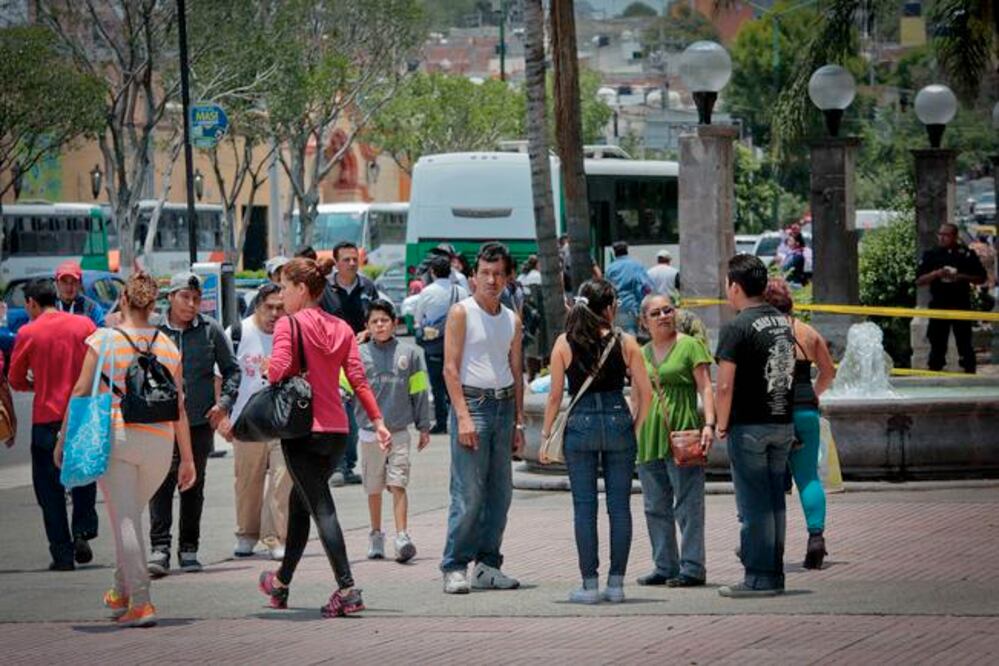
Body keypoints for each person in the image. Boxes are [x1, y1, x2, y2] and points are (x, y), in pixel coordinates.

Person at [56, 272, 195, 628]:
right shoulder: (167, 344)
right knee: (130, 517)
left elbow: (81, 390)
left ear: (123, 301)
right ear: (153, 305)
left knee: (126, 520)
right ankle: (121, 590)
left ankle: (143, 601)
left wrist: (63, 437)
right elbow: (179, 405)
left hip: (118, 438)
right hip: (162, 445)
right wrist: (188, 458)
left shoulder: (103, 339)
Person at [257, 257, 391, 618]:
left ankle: (347, 589)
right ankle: (281, 583)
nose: (282, 295)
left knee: (320, 507)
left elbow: (279, 371)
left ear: (302, 289)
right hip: (336, 430)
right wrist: (377, 421)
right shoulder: (342, 328)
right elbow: (358, 380)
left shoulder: (289, 325)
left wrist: (266, 366)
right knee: (303, 504)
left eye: (285, 287)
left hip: (302, 429)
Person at [541, 279, 651, 604]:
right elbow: (644, 392)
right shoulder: (626, 341)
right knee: (619, 508)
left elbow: (554, 396)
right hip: (618, 419)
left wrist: (546, 434)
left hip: (581, 424)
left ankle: (589, 586)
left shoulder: (564, 342)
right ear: (609, 307)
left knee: (584, 508)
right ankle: (616, 585)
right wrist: (636, 425)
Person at [440, 242, 525, 595]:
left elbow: (516, 369)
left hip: (504, 407)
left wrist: (519, 422)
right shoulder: (461, 312)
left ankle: (488, 565)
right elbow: (449, 368)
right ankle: (455, 565)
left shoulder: (512, 319)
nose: (490, 280)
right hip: (472, 404)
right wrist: (463, 416)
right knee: (468, 494)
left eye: (498, 274)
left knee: (500, 493)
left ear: (508, 278)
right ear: (473, 276)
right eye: (484, 274)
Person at [714, 254, 796, 598]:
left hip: (749, 425)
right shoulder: (780, 320)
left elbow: (724, 384)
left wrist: (720, 423)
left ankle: (758, 578)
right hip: (782, 422)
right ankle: (774, 573)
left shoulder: (737, 326)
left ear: (735, 286)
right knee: (776, 501)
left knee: (753, 505)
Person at [148, 272, 240, 576]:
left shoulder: (211, 330)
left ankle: (189, 549)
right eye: (185, 297)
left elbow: (232, 371)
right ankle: (159, 549)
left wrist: (223, 404)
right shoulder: (153, 332)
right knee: (160, 484)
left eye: (196, 298)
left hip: (199, 422)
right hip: (161, 422)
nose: (191, 304)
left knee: (193, 485)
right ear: (170, 297)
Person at [9, 278, 98, 570]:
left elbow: (16, 377)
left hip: (46, 417)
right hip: (82, 413)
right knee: (83, 477)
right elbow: (99, 364)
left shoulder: (28, 332)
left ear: (32, 303)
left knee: (49, 489)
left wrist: (36, 385)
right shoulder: (84, 325)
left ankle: (62, 554)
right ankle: (83, 530)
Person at [635, 293, 715, 589]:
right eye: (655, 313)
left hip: (683, 433)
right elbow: (637, 395)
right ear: (644, 321)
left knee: (688, 504)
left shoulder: (690, 345)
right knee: (655, 505)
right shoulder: (640, 352)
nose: (664, 316)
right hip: (648, 437)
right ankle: (664, 565)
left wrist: (709, 423)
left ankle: (692, 567)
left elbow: (706, 387)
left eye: (668, 310)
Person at [764, 277, 836, 570]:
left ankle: (769, 545)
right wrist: (814, 396)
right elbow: (829, 372)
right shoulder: (807, 332)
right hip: (805, 409)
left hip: (773, 414)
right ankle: (816, 538)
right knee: (808, 478)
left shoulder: (763, 334)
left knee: (768, 482)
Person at [356, 299, 432, 563]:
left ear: (395, 323)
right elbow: (345, 388)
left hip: (399, 429)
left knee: (398, 482)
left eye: (385, 320)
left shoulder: (410, 354)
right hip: (369, 432)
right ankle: (376, 535)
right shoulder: (358, 354)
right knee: (374, 486)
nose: (380, 325)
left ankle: (402, 537)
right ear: (367, 326)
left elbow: (419, 391)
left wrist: (424, 426)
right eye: (374, 321)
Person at [225, 283, 292, 561]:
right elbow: (223, 375)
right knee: (247, 481)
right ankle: (246, 534)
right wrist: (222, 416)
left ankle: (276, 537)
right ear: (257, 307)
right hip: (246, 421)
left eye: (280, 308)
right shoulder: (237, 334)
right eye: (270, 307)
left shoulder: (290, 335)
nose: (275, 314)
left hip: (282, 421)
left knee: (281, 481)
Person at [319, 241, 380, 487]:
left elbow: (378, 316)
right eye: (346, 259)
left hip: (362, 358)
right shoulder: (324, 289)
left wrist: (368, 332)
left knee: (358, 414)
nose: (352, 263)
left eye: (355, 259)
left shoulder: (368, 286)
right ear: (336, 263)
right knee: (340, 413)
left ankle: (349, 463)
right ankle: (338, 465)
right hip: (333, 361)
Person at [916, 223, 987, 373]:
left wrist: (960, 276)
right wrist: (936, 274)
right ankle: (934, 375)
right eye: (940, 234)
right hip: (939, 304)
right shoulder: (932, 254)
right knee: (937, 345)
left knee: (965, 344)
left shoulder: (965, 254)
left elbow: (981, 277)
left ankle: (969, 375)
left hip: (960, 304)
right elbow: (919, 280)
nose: (942, 238)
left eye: (946, 235)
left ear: (954, 237)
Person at [414, 255, 469, 434]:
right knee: (457, 382)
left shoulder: (427, 292)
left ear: (433, 272)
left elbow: (418, 319)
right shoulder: (461, 291)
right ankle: (458, 419)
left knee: (437, 385)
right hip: (459, 343)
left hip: (434, 345)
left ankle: (441, 422)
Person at [604, 241, 653, 334]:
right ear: (627, 250)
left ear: (614, 252)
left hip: (615, 308)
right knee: (630, 337)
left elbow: (606, 288)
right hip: (630, 308)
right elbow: (647, 287)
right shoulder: (636, 265)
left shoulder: (609, 268)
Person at [54, 260, 105, 327]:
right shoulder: (50, 307)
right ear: (57, 284)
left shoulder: (92, 309)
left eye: (74, 282)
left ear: (80, 284)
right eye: (64, 282)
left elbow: (101, 333)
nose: (69, 287)